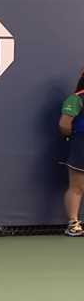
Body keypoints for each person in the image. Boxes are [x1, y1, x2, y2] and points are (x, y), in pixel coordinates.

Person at [59, 78, 84, 236]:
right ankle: (73, 224)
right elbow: (64, 124)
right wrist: (72, 136)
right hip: (81, 143)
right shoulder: (76, 99)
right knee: (77, 186)